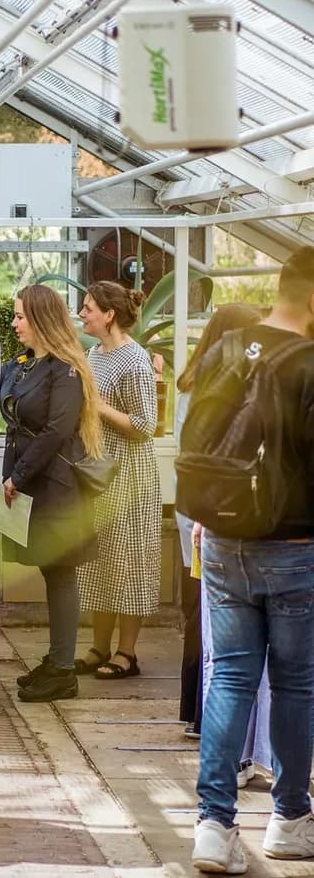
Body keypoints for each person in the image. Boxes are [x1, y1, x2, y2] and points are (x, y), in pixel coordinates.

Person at [191, 246, 314, 873]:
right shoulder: (310, 364)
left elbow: (198, 439)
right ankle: (290, 819)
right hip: (295, 545)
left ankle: (213, 826)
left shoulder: (223, 350)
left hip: (220, 540)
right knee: (295, 684)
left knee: (231, 677)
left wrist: (208, 521)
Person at [1, 285, 102, 703]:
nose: (15, 323)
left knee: (60, 573)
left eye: (21, 316)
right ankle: (57, 659)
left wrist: (17, 477)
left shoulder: (65, 370)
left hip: (55, 487)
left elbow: (56, 430)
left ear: (42, 319)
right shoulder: (26, 364)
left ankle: (63, 670)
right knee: (50, 570)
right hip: (32, 484)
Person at [174, 303, 259, 739]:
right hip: (216, 512)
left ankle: (194, 709)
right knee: (219, 617)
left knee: (197, 610)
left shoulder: (190, 382)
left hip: (190, 509)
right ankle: (211, 718)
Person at [74, 280, 161, 680]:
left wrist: (99, 407)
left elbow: (145, 425)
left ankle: (127, 653)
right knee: (100, 562)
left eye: (89, 307)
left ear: (109, 315)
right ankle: (99, 646)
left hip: (129, 473)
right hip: (99, 472)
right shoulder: (94, 353)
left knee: (129, 562)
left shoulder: (136, 359)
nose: (82, 313)